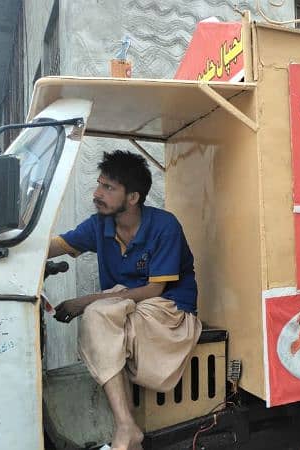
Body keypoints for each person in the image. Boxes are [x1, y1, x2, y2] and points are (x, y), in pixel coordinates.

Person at [48, 150, 201, 450]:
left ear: (132, 197)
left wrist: (83, 303)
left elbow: (154, 291)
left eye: (108, 188)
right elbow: (58, 246)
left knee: (97, 316)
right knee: (100, 317)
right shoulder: (99, 225)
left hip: (169, 310)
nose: (97, 193)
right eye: (99, 184)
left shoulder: (164, 226)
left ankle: (125, 428)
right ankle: (127, 426)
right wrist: (17, 249)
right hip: (125, 309)